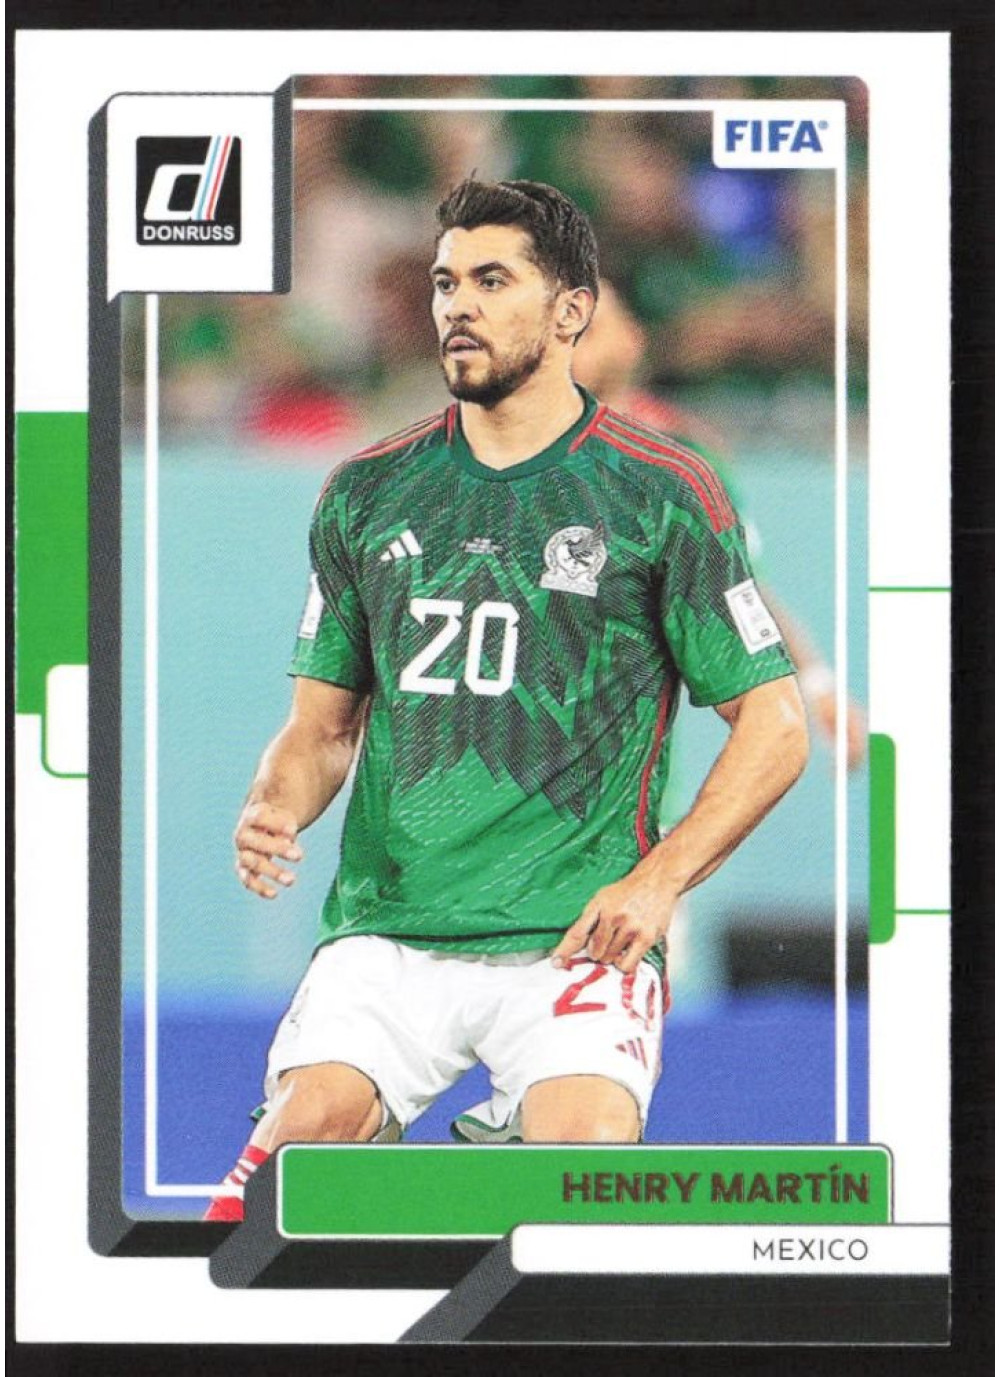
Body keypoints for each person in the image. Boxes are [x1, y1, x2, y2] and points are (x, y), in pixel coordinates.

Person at [206, 179, 809, 1222]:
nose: (458, 306)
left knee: (583, 1171)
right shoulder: (365, 490)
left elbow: (776, 724)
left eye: (491, 281)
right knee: (293, 1163)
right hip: (392, 929)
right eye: (446, 283)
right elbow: (321, 729)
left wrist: (657, 884)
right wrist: (275, 804)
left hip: (575, 936)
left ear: (570, 311)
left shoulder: (662, 491)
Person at [573, 278, 867, 768]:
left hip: (622, 755)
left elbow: (741, 585)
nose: (571, 346)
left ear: (632, 338)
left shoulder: (683, 456)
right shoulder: (501, 446)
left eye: (589, 329)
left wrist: (816, 683)